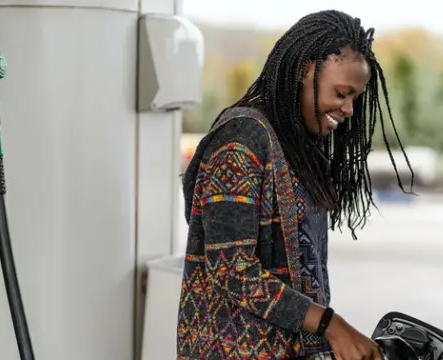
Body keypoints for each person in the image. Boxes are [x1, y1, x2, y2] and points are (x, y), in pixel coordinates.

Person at [177, 9, 414, 360]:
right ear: (305, 70)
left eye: (355, 98)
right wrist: (331, 325)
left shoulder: (297, 147)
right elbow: (232, 268)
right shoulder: (240, 140)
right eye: (342, 92)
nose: (349, 108)